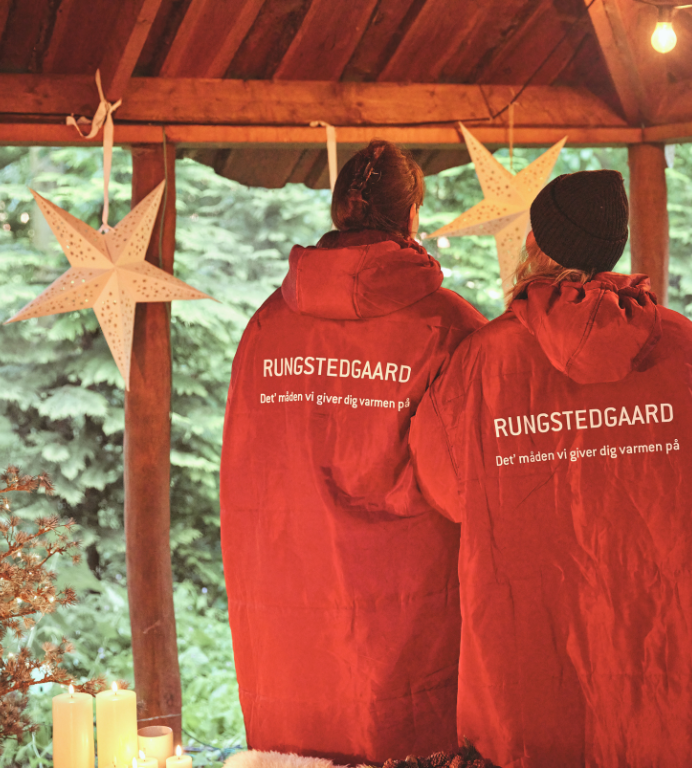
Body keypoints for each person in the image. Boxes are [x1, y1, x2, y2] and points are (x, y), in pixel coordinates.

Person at [409, 170, 692, 768]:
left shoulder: (485, 358)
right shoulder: (681, 344)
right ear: (613, 249)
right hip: (668, 635)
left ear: (534, 244)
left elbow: (446, 488)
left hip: (533, 635)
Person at [220, 140, 487, 765]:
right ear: (412, 214)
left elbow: (245, 463)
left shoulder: (267, 325)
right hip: (407, 598)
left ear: (338, 209)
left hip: (289, 586)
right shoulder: (451, 327)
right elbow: (468, 483)